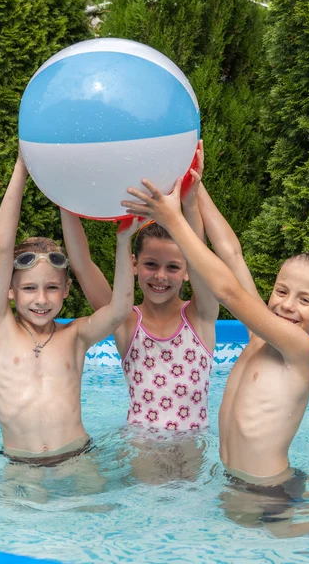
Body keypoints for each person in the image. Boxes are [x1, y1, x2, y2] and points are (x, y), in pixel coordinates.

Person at [121, 175, 309, 500]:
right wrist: (193, 189)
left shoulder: (300, 350)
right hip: (238, 482)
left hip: (266, 490)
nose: (287, 304)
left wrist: (173, 219)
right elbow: (232, 253)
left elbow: (228, 291)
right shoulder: (259, 337)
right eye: (282, 291)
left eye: (305, 300)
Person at [0, 150, 140, 467]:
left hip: (78, 458)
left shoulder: (75, 337)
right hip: (20, 463)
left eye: (52, 287)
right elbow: (2, 246)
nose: (41, 299)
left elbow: (120, 309)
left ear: (66, 290)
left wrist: (124, 242)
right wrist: (21, 169)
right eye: (29, 288)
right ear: (10, 291)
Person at [61, 141, 219, 435]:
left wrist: (190, 201)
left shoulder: (201, 315)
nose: (161, 276)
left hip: (192, 457)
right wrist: (65, 198)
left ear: (187, 271)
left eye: (173, 267)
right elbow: (82, 265)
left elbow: (200, 253)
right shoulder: (124, 320)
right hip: (139, 452)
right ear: (134, 264)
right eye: (151, 264)